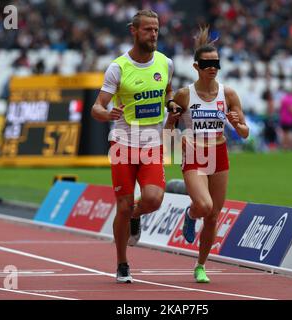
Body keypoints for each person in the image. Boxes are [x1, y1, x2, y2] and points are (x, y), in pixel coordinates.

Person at [91, 10, 175, 283]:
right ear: (134, 31)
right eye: (148, 29)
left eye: (156, 30)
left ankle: (135, 216)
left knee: (153, 199)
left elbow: (168, 91)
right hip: (123, 143)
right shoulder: (118, 67)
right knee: (122, 206)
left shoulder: (165, 63)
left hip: (152, 142)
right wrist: (106, 114)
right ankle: (122, 262)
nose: (154, 34)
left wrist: (171, 104)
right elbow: (97, 107)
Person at [164, 26, 249, 283]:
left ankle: (200, 265)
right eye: (206, 64)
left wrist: (236, 124)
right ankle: (190, 215)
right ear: (196, 66)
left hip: (219, 154)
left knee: (213, 217)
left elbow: (245, 133)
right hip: (194, 155)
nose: (212, 68)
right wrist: (172, 120)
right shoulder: (184, 95)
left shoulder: (229, 94)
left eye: (216, 64)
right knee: (204, 205)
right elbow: (168, 131)